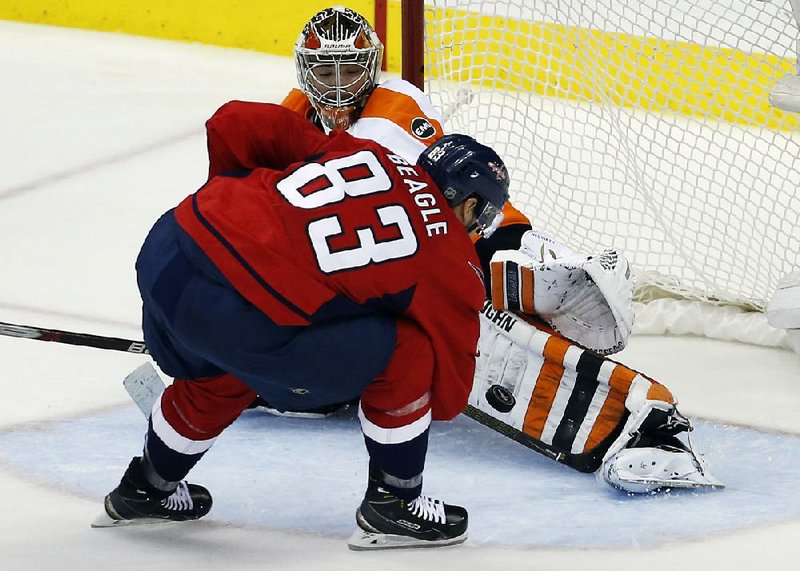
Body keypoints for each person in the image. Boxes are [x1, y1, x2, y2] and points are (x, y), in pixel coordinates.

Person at [202, 6, 722, 494]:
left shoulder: (391, 115)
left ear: (372, 67)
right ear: (304, 69)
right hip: (402, 246)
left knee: (488, 341)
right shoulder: (292, 114)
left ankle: (648, 419)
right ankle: (305, 375)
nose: (337, 87)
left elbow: (427, 205)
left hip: (474, 236)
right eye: (325, 71)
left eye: (349, 71)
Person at [94, 103, 511, 551]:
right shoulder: (452, 258)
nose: (479, 228)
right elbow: (447, 392)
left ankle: (146, 489)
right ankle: (396, 505)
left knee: (226, 370)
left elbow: (233, 122)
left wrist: (241, 214)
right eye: (483, 216)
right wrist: (372, 382)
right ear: (468, 203)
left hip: (170, 249)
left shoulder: (368, 151)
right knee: (410, 349)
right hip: (234, 315)